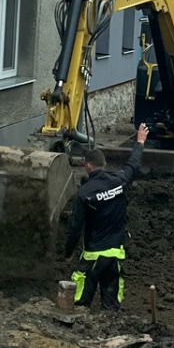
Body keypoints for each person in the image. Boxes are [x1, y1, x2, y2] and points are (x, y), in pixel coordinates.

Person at [65, 124, 150, 309]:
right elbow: (133, 164)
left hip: (93, 256)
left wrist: (68, 252)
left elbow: (74, 228)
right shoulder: (120, 181)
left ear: (88, 166)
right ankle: (109, 323)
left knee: (80, 304)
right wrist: (140, 142)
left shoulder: (84, 193)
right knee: (111, 306)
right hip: (115, 255)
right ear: (103, 164)